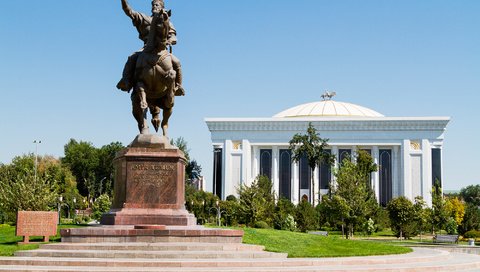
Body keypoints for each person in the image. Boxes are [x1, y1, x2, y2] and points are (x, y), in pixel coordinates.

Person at [116, 0, 184, 96]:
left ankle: (178, 86)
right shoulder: (144, 18)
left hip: (163, 48)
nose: (154, 6)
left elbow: (173, 36)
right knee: (131, 58)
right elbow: (129, 11)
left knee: (177, 62)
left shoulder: (166, 20)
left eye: (157, 5)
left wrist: (170, 41)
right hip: (146, 47)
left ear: (161, 7)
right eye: (153, 5)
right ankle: (126, 81)